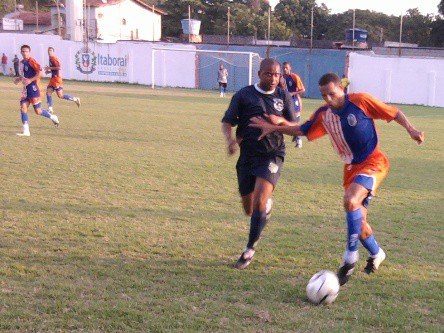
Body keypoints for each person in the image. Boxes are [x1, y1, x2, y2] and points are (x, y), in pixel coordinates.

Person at [250, 72, 424, 284]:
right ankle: (377, 253)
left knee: (351, 201)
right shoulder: (325, 114)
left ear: (341, 88)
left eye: (331, 94)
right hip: (350, 169)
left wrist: (411, 129)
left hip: (373, 162)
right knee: (359, 223)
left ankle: (349, 259)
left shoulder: (360, 101)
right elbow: (303, 129)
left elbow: (393, 112)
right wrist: (275, 127)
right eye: (324, 96)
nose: (328, 100)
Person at [221, 58, 298, 269]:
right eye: (269, 74)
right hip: (247, 157)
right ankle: (264, 210)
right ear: (259, 74)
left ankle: (249, 250)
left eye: (277, 74)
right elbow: (227, 120)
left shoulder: (283, 96)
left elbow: (294, 125)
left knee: (260, 203)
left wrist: (277, 124)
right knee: (249, 209)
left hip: (272, 155)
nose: (274, 78)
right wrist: (230, 140)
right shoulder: (244, 95)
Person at [14, 45, 60, 137]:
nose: (24, 53)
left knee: (38, 111)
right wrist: (19, 79)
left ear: (29, 52)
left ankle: (53, 117)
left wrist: (30, 80)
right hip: (26, 89)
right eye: (23, 51)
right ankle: (26, 131)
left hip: (34, 88)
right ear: (21, 52)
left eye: (26, 51)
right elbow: (24, 74)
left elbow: (41, 73)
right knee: (23, 108)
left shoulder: (32, 61)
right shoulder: (21, 62)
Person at [45, 47, 80, 113]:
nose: (49, 52)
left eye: (51, 50)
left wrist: (49, 68)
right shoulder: (50, 58)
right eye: (48, 50)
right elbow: (55, 69)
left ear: (53, 52)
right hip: (53, 79)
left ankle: (76, 99)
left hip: (56, 79)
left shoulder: (54, 58)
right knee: (48, 93)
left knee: (60, 95)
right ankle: (50, 109)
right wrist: (49, 71)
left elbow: (59, 67)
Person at [282, 62, 305, 148]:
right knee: (283, 120)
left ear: (290, 68)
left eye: (286, 68)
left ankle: (299, 140)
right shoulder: (281, 78)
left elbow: (302, 89)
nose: (285, 69)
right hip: (284, 102)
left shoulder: (294, 77)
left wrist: (293, 93)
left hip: (294, 101)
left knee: (296, 121)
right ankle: (281, 140)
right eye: (283, 68)